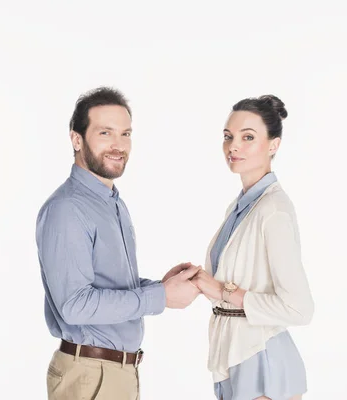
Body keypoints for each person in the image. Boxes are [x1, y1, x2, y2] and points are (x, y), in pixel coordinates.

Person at [36, 86, 201, 400]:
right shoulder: (68, 209)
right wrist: (160, 298)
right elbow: (75, 305)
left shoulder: (111, 202)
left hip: (115, 373)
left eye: (125, 134)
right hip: (91, 376)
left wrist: (161, 286)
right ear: (76, 139)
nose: (118, 145)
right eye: (105, 133)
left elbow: (106, 283)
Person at [191, 95, 315, 400]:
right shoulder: (240, 207)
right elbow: (233, 286)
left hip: (262, 358)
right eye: (228, 136)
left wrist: (222, 291)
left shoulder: (273, 210)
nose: (234, 146)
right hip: (234, 353)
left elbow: (299, 308)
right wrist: (197, 282)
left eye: (248, 137)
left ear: (273, 145)